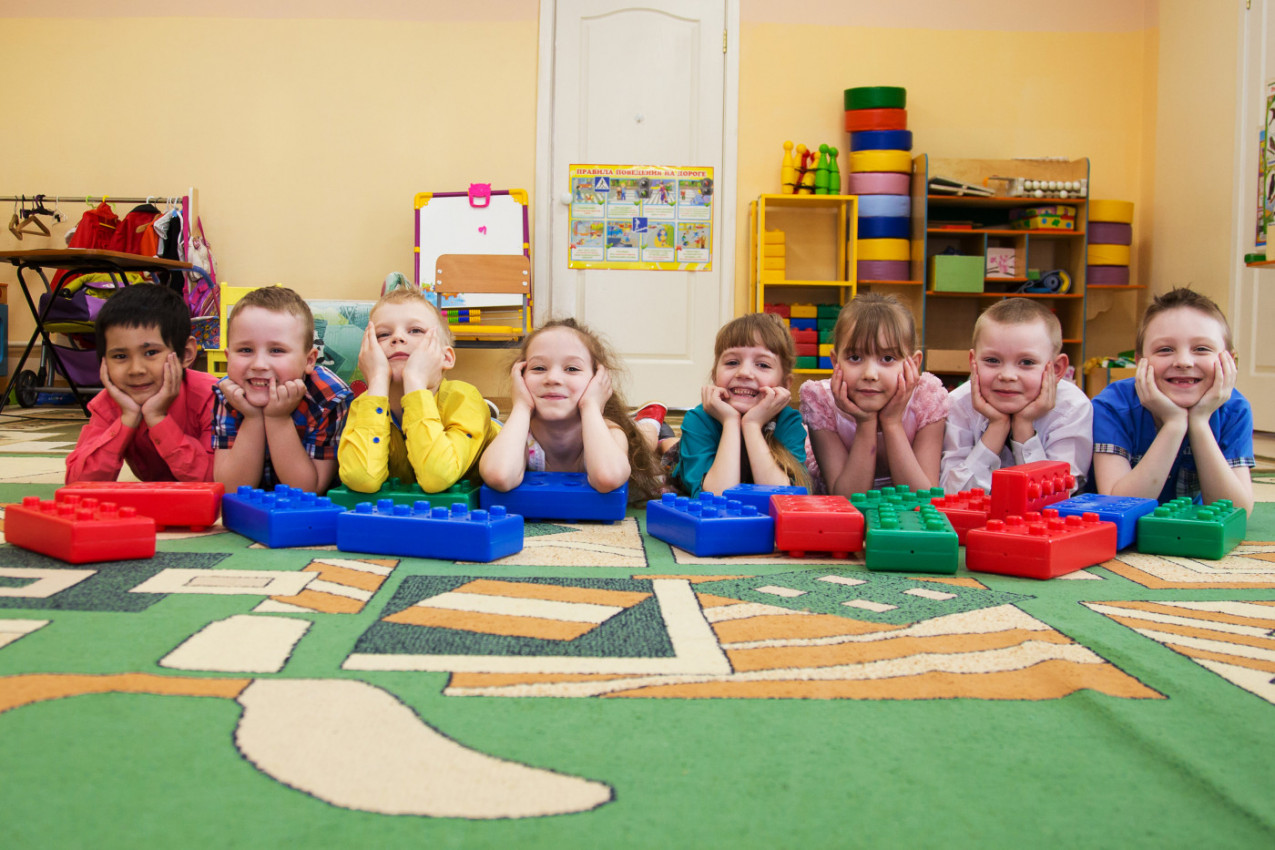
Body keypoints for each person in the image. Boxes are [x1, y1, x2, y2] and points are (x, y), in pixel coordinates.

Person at [1092, 287, 1254, 514]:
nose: (1184, 361)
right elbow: (1117, 507)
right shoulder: (1112, 406)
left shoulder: (1234, 409)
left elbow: (1238, 512)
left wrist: (1199, 422)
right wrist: (1175, 424)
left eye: (1201, 348)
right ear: (1140, 362)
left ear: (1230, 361)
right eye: (1165, 349)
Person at [478, 318, 662, 502]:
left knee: (645, 440)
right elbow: (498, 475)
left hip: (625, 429)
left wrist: (591, 406)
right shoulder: (521, 435)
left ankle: (650, 419)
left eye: (572, 368)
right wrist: (521, 406)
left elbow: (608, 477)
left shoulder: (610, 431)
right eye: (539, 368)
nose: (553, 378)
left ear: (598, 379)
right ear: (520, 376)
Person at [338, 287, 499, 493]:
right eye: (383, 334)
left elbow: (437, 477)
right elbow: (361, 479)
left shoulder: (464, 398)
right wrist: (377, 381)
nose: (397, 338)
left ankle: (490, 418)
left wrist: (414, 383)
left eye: (415, 330)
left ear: (446, 357)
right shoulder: (363, 405)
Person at [66, 283, 218, 482]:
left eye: (151, 353)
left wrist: (157, 417)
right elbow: (78, 484)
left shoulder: (212, 397)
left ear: (186, 354)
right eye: (120, 356)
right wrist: (127, 418)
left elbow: (213, 480)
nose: (136, 369)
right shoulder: (108, 404)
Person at [802, 294, 947, 496]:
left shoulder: (926, 399)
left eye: (887, 358)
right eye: (855, 357)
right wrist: (866, 422)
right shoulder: (822, 402)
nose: (870, 374)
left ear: (913, 363)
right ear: (835, 362)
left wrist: (892, 422)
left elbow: (923, 497)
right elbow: (847, 498)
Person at [941, 297, 1092, 494]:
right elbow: (952, 494)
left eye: (1027, 362)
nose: (1007, 376)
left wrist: (1024, 428)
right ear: (973, 362)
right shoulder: (959, 404)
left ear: (1056, 369)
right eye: (992, 360)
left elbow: (1059, 496)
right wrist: (997, 427)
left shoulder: (1072, 407)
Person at [212, 286, 351, 494]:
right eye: (245, 350)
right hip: (250, 516)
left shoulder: (330, 396)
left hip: (313, 520)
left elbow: (308, 492)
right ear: (228, 356)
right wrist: (252, 418)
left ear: (309, 360)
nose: (259, 364)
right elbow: (232, 489)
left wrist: (277, 419)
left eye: (276, 350)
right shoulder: (228, 392)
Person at [672, 312, 809, 497]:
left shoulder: (788, 421)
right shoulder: (699, 419)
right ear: (714, 376)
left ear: (785, 384)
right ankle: (660, 434)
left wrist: (751, 425)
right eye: (732, 362)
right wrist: (730, 421)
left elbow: (782, 498)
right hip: (678, 459)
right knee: (668, 452)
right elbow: (717, 497)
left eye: (762, 365)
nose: (744, 373)